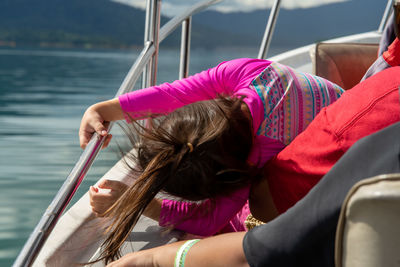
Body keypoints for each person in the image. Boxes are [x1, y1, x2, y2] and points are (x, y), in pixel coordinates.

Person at [104, 61, 400, 267]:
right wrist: (106, 110)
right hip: (350, 115)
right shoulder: (249, 72)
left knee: (249, 215)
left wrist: (150, 207)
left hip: (336, 157)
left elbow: (210, 222)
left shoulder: (260, 158)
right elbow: (175, 92)